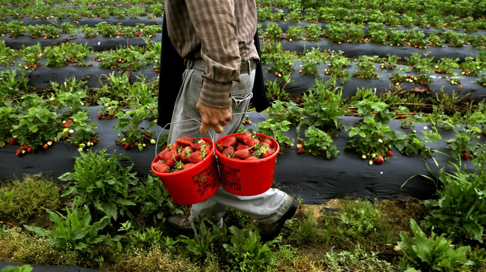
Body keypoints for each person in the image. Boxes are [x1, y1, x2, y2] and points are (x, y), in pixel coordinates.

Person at [158, 0, 298, 242]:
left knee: (189, 167)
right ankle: (205, 224)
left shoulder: (216, 76)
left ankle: (272, 206)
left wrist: (216, 88)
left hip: (212, 72)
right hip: (236, 67)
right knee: (211, 154)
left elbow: (215, 17)